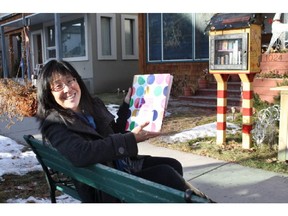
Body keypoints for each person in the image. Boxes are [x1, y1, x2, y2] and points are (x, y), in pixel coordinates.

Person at [36, 59, 214, 203]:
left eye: (70, 80)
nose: (68, 89)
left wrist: (128, 104)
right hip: (104, 186)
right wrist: (130, 139)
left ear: (77, 81)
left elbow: (113, 132)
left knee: (173, 165)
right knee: (167, 175)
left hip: (116, 170)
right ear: (48, 94)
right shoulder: (54, 123)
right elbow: (81, 154)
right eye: (58, 86)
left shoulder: (91, 106)